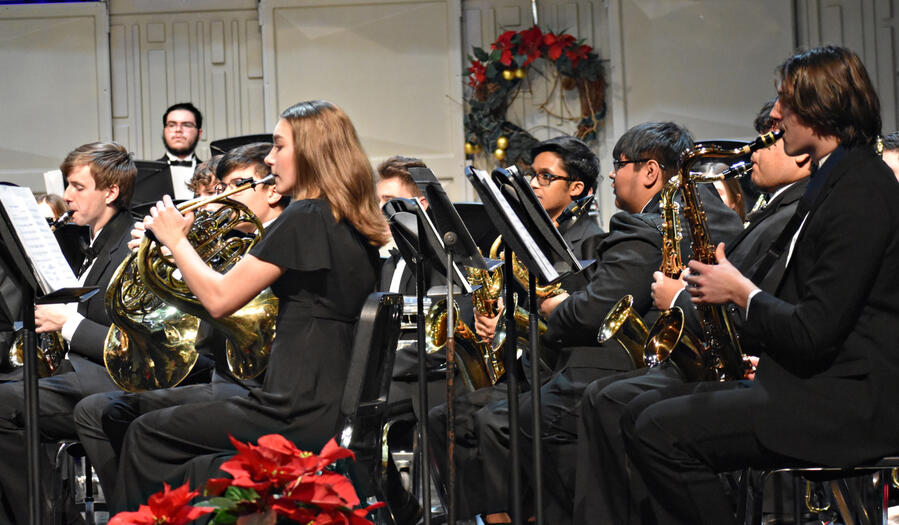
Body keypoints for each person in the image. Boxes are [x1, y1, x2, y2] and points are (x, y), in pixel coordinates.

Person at [622, 45, 899, 525]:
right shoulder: (836, 181)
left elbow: (815, 330)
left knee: (656, 431)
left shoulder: (861, 191)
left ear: (821, 108)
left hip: (850, 405)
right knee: (635, 413)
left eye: (784, 103)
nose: (774, 114)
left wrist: (739, 292)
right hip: (817, 385)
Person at [429, 125, 742, 523]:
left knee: (516, 420)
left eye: (619, 164)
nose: (612, 175)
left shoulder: (644, 227)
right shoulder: (723, 219)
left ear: (649, 172)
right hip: (680, 370)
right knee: (475, 415)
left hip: (641, 371)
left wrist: (558, 308)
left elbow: (595, 311)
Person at [110, 100, 389, 512]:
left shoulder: (305, 216)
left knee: (146, 434)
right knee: (190, 452)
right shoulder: (349, 219)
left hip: (291, 409)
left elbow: (220, 300)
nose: (271, 158)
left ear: (311, 152)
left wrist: (175, 240)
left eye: (279, 146)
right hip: (324, 403)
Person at [573, 98, 813, 525]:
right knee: (616, 402)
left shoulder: (795, 214)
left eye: (767, 142)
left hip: (762, 372)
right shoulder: (771, 211)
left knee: (627, 408)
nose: (754, 151)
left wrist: (678, 298)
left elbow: (768, 305)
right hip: (736, 359)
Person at [72, 142, 285, 504]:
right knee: (96, 411)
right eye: (220, 190)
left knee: (137, 427)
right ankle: (133, 510)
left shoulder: (275, 240)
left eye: (236, 186)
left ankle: (152, 509)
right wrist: (162, 260)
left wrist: (178, 250)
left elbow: (224, 306)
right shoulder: (234, 238)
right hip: (225, 376)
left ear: (272, 190)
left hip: (253, 385)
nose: (221, 200)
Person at [0, 142, 136, 524]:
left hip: (108, 377)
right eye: (67, 185)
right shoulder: (82, 241)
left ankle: (44, 517)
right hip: (73, 369)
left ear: (110, 192)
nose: (67, 196)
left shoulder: (131, 245)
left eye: (77, 187)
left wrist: (67, 322)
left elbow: (131, 344)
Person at [159, 102, 204, 200]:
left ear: (199, 133)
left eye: (186, 125)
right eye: (171, 125)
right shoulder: (145, 174)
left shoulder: (213, 172)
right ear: (164, 131)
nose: (178, 130)